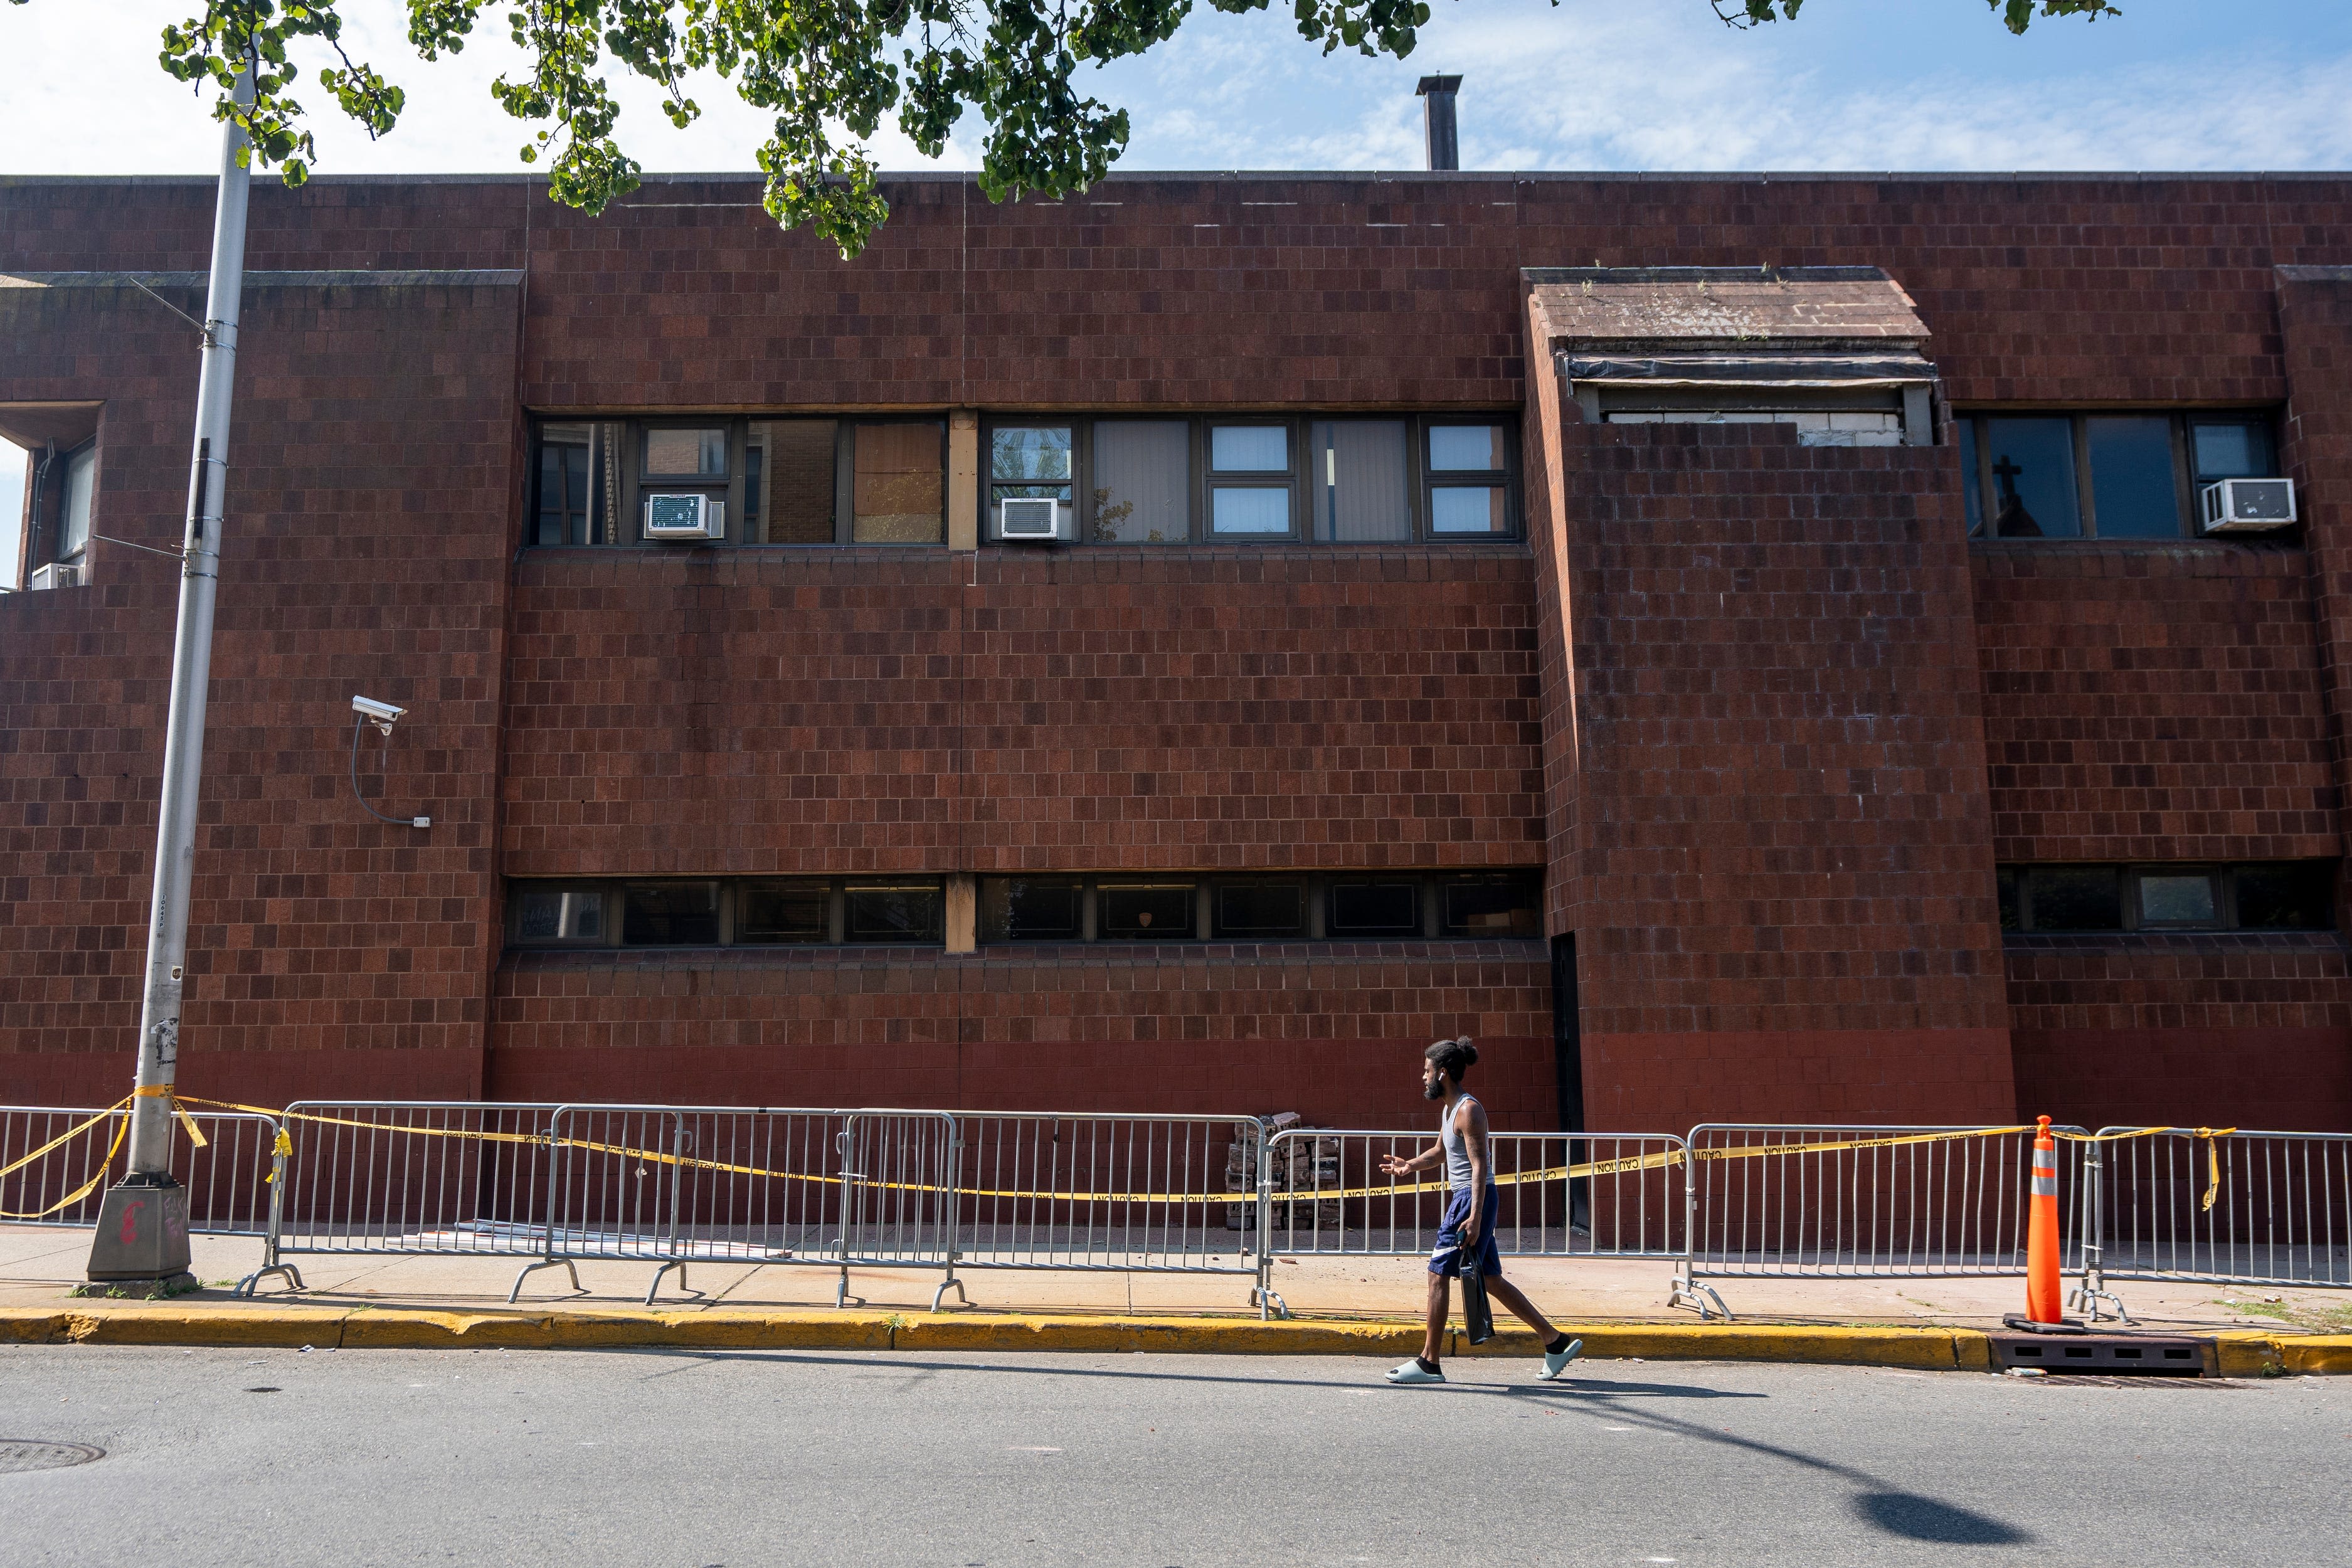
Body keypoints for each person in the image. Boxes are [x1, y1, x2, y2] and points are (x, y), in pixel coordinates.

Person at [1380, 1036, 1581, 1384]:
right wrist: (1409, 1166)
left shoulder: (1469, 1110)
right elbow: (1441, 1152)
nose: (1422, 1077)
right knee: (1490, 1279)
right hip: (1470, 1200)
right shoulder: (1450, 1109)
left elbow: (1478, 1165)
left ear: (1442, 1073)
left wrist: (1473, 1215)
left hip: (1471, 1200)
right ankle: (1555, 1341)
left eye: (1426, 1071)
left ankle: (1429, 1362)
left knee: (1437, 1273)